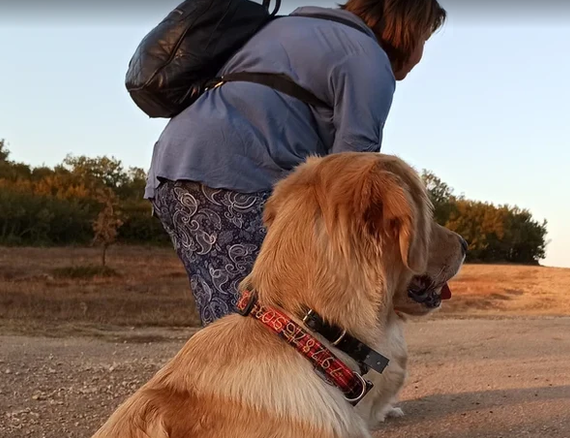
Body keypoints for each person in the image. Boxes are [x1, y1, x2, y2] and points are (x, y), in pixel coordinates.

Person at [144, 0, 447, 326]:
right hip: (231, 179)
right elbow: (353, 181)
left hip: (175, 170)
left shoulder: (288, 27)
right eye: (424, 39)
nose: (421, 54)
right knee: (263, 326)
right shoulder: (367, 60)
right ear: (409, 28)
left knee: (233, 317)